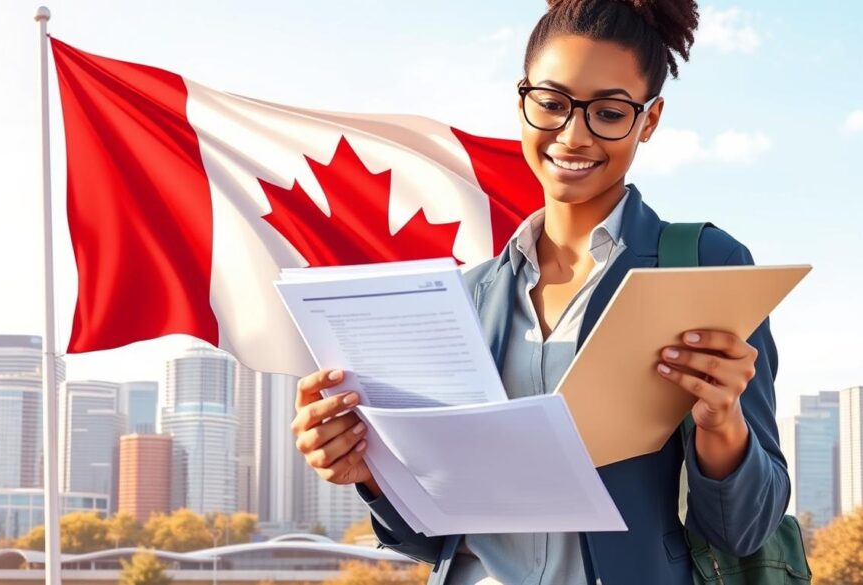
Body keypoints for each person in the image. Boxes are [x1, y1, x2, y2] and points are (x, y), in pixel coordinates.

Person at [290, 0, 790, 583]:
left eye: (608, 112)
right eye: (551, 104)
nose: (572, 136)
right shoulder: (467, 296)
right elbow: (435, 540)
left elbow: (743, 530)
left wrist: (720, 421)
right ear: (522, 102)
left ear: (649, 121)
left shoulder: (703, 265)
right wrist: (366, 470)